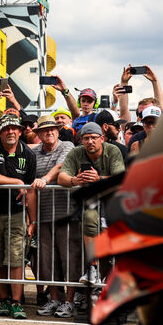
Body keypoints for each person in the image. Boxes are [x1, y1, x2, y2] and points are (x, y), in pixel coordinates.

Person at [0, 113, 37, 320]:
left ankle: (16, 302)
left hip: (16, 213)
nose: (10, 132)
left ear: (20, 131)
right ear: (0, 131)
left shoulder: (28, 154)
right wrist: (17, 182)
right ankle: (3, 299)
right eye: (5, 128)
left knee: (16, 258)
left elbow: (31, 190)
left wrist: (33, 220)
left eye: (14, 128)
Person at [57, 122, 125, 289]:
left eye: (94, 138)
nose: (90, 142)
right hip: (92, 206)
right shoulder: (76, 152)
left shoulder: (112, 151)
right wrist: (75, 180)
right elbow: (61, 178)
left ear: (102, 138)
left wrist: (98, 179)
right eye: (86, 138)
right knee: (88, 220)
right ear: (81, 141)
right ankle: (92, 269)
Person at [29, 115, 76, 318]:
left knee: (69, 259)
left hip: (67, 213)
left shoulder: (67, 146)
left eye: (53, 129)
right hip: (45, 213)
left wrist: (44, 179)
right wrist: (33, 220)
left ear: (58, 131)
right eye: (45, 130)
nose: (50, 132)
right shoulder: (34, 153)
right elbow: (29, 183)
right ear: (38, 134)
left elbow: (60, 167)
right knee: (48, 260)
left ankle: (70, 301)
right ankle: (55, 298)